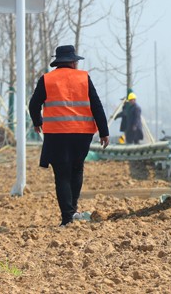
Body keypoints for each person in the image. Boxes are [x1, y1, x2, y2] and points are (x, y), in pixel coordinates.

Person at [28, 45, 110, 227]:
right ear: (73, 62)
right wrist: (104, 132)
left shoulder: (47, 79)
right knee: (77, 169)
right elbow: (97, 105)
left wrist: (37, 122)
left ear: (58, 62)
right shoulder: (83, 78)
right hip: (82, 134)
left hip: (56, 134)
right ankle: (72, 210)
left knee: (62, 174)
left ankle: (67, 217)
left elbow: (33, 104)